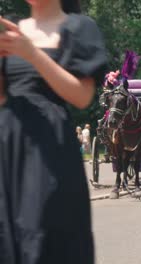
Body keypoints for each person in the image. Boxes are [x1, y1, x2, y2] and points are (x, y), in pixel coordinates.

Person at [0, 1, 107, 263]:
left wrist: (31, 53)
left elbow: (82, 96)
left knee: (43, 236)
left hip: (48, 151)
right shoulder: (11, 28)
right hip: (7, 142)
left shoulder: (79, 27)